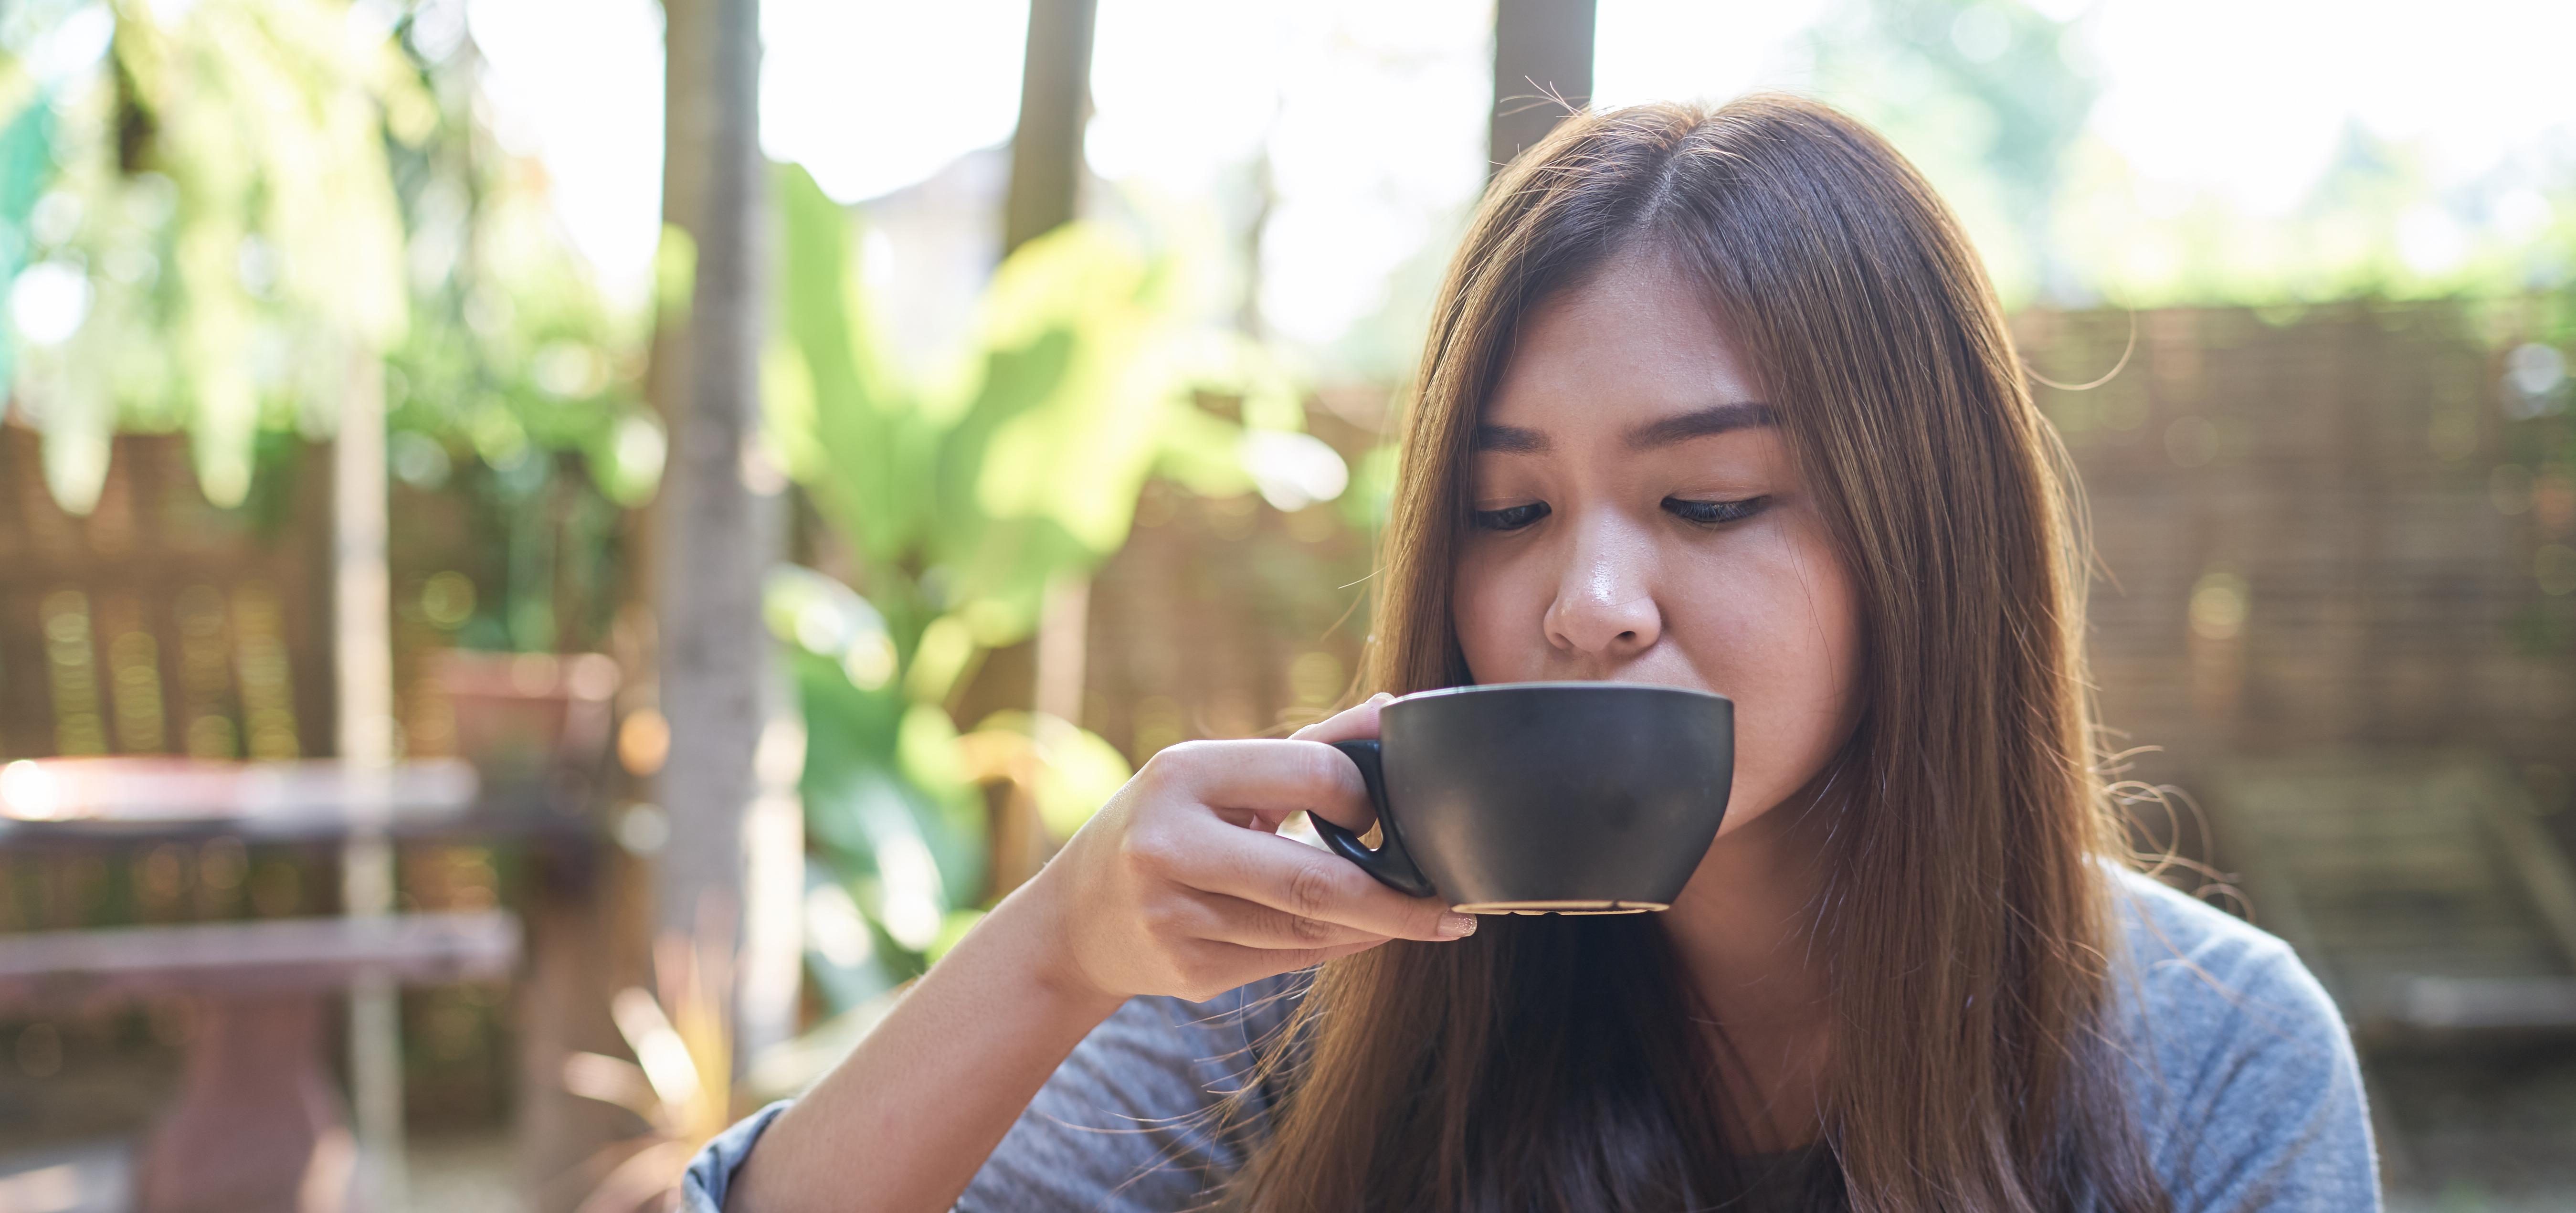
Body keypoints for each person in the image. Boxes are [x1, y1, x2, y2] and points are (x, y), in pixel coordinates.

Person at [686, 95, 2378, 1213]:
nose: (1584, 600)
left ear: (1922, 538)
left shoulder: (2208, 1056)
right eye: (1506, 512)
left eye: (1705, 499)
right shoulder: (1298, 987)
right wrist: (1056, 950)